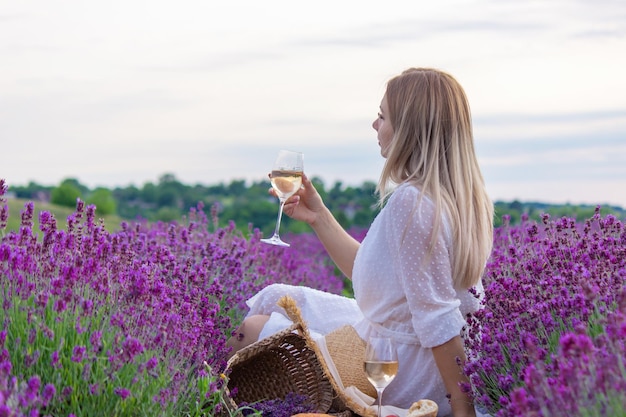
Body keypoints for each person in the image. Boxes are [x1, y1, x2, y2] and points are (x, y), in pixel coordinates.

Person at [227, 68, 494, 417]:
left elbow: (439, 320)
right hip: (405, 336)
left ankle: (204, 404)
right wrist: (319, 216)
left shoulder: (411, 203)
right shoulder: (455, 196)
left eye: (382, 116)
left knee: (251, 330)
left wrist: (463, 410)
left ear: (409, 130)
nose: (374, 124)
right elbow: (374, 277)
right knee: (277, 297)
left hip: (406, 364)